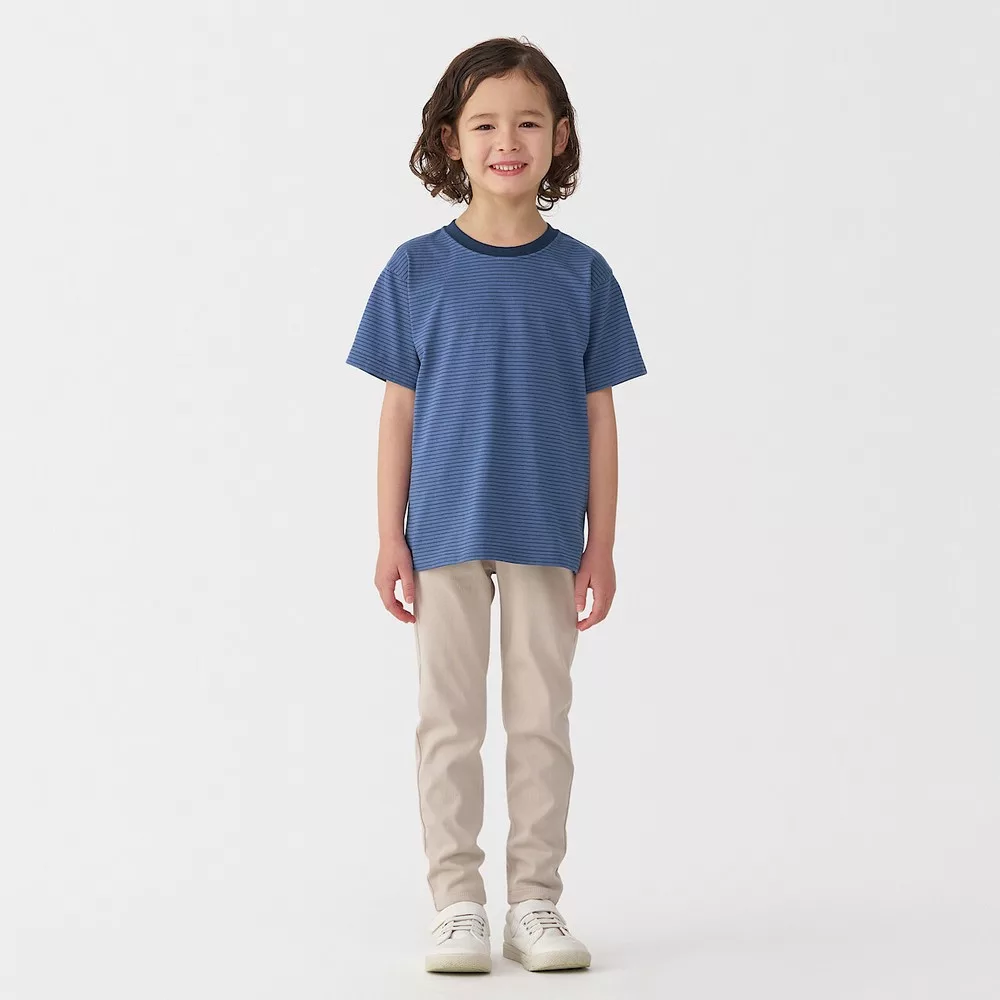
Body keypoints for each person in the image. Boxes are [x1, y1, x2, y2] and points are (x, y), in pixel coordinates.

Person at [345, 36, 647, 974]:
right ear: (451, 140)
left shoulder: (584, 275)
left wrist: (601, 545)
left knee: (540, 719)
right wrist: (388, 536)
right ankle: (458, 904)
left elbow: (600, 417)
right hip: (440, 531)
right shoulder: (414, 271)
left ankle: (536, 902)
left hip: (547, 532)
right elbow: (397, 412)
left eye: (526, 123)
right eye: (484, 125)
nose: (506, 142)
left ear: (560, 136)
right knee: (448, 722)